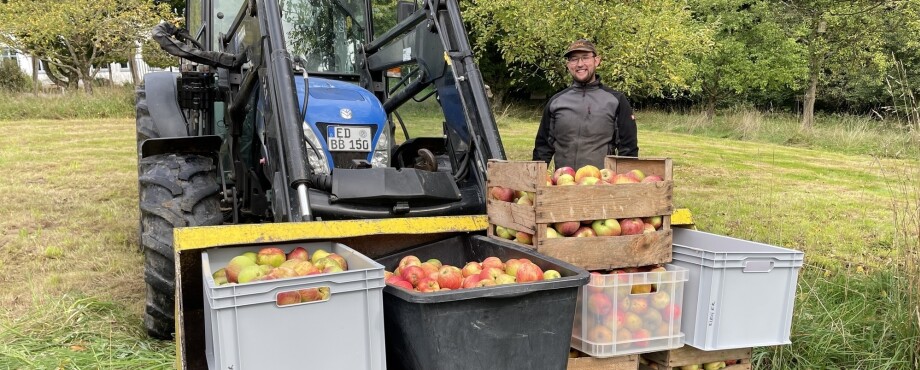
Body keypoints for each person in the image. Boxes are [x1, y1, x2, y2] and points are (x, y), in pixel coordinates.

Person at [532, 39, 638, 170]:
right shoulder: (556, 101)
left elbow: (628, 150)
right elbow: (542, 149)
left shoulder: (616, 100)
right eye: (574, 59)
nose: (580, 64)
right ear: (568, 64)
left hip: (601, 184)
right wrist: (535, 181)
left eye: (585, 58)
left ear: (597, 60)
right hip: (563, 184)